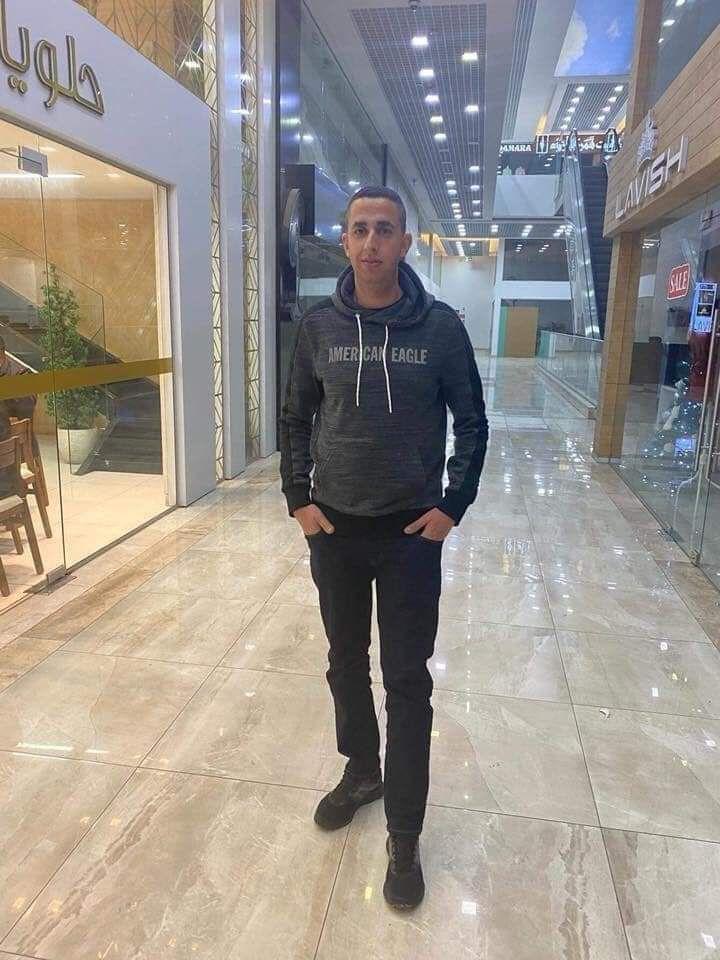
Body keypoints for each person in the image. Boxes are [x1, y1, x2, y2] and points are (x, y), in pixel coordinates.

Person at [280, 186, 488, 909]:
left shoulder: (442, 328)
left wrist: (451, 506)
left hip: (408, 536)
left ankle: (405, 830)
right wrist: (299, 498)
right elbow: (295, 418)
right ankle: (362, 771)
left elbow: (473, 422)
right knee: (344, 662)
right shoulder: (318, 326)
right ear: (345, 241)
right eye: (360, 229)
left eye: (385, 230)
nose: (371, 242)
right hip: (335, 530)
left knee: (406, 682)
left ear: (404, 242)